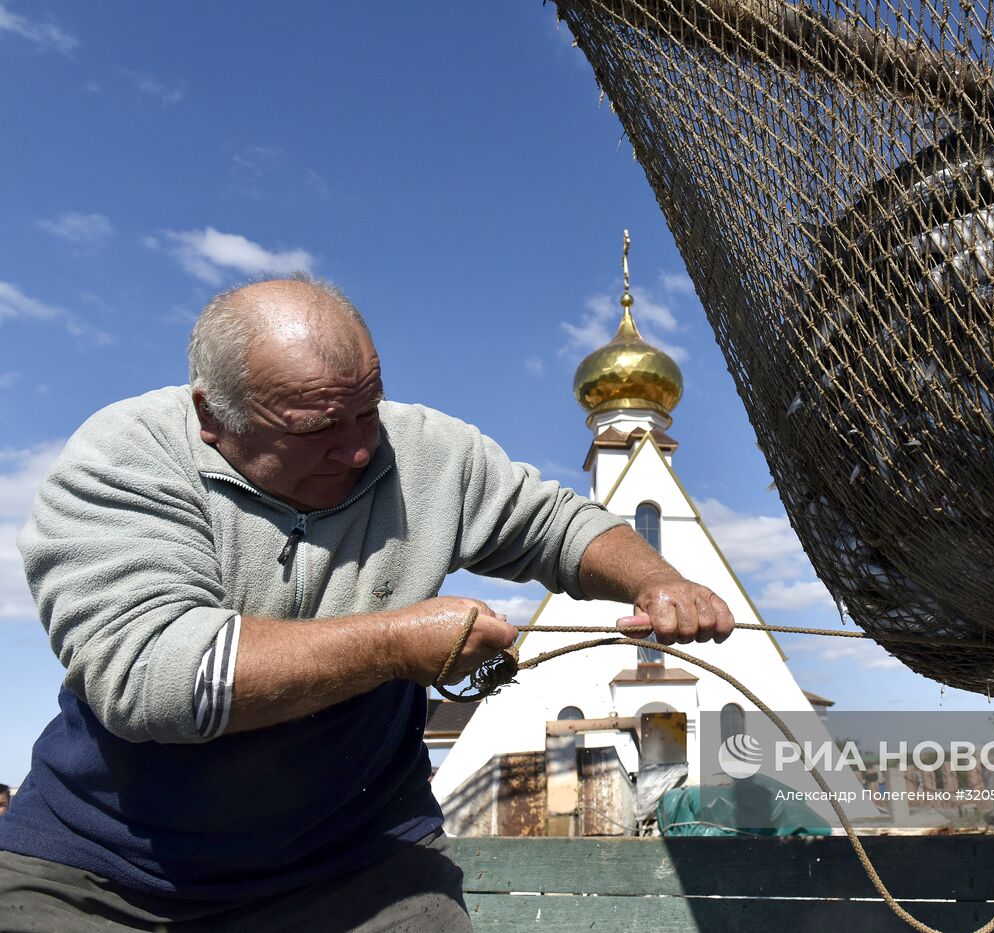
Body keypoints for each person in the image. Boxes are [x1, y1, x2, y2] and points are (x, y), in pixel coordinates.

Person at [0, 275, 735, 931]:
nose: (357, 449)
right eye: (316, 426)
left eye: (367, 410)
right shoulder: (123, 459)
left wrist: (653, 579)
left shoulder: (426, 450)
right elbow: (157, 679)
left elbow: (557, 524)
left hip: (358, 865)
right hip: (106, 871)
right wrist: (392, 644)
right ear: (211, 415)